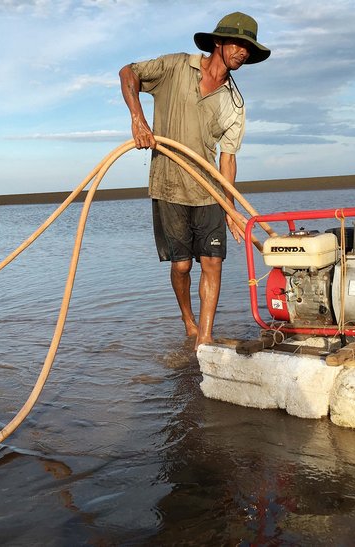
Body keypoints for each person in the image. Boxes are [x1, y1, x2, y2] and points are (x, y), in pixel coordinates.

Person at [119, 12, 270, 349]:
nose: (243, 52)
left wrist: (230, 208)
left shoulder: (235, 103)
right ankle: (188, 320)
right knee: (183, 265)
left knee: (213, 262)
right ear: (218, 42)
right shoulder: (175, 67)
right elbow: (128, 72)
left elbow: (228, 158)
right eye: (238, 43)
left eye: (248, 48)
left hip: (209, 191)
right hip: (169, 185)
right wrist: (138, 120)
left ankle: (204, 337)